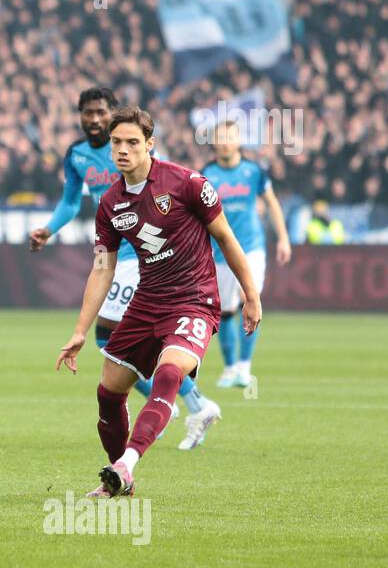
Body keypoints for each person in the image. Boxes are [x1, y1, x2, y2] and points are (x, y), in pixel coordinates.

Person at [56, 105, 261, 498]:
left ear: (150, 145)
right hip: (146, 302)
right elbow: (102, 269)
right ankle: (118, 481)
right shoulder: (110, 204)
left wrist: (251, 295)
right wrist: (81, 330)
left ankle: (128, 463)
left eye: (132, 142)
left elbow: (226, 238)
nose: (122, 149)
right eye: (116, 142)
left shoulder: (187, 183)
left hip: (194, 299)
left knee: (169, 373)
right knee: (108, 393)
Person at [30, 86, 217, 437]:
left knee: (113, 338)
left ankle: (184, 404)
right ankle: (184, 404)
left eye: (102, 112)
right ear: (81, 117)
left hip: (142, 256)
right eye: (89, 113)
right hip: (115, 247)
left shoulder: (135, 149)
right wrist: (49, 229)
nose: (95, 119)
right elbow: (71, 202)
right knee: (111, 340)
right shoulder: (76, 155)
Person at [201, 119, 292, 392]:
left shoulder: (254, 171)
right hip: (219, 252)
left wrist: (284, 239)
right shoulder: (206, 174)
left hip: (251, 247)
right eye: (221, 137)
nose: (226, 141)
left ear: (238, 140)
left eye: (230, 136)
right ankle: (230, 369)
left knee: (248, 298)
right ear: (214, 142)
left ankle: (244, 366)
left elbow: (272, 203)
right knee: (225, 311)